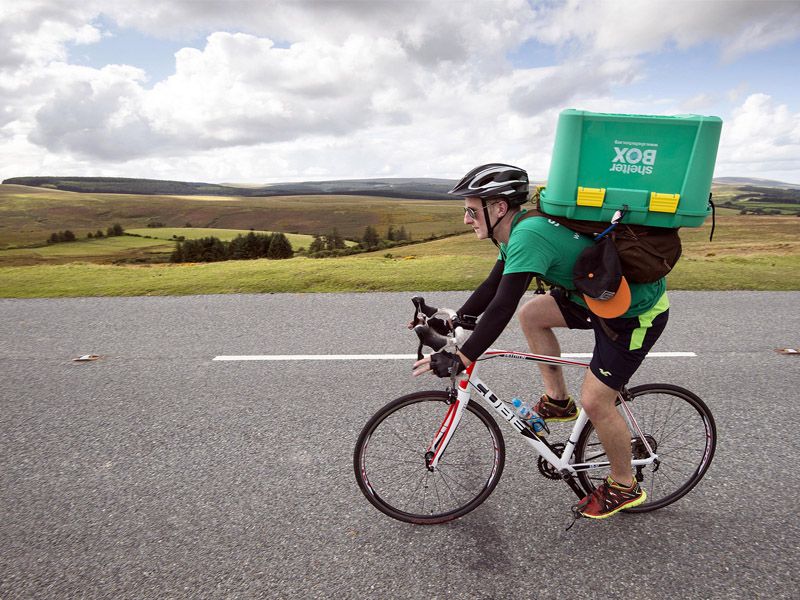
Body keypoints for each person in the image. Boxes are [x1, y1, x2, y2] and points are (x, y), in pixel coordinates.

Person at [412, 163, 670, 519]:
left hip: (634, 312)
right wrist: (456, 319)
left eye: (472, 210)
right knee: (533, 315)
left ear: (498, 207)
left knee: (596, 401)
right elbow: (493, 286)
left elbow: (501, 306)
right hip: (594, 300)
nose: (466, 219)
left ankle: (624, 485)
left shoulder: (529, 234)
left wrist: (463, 356)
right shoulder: (516, 231)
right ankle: (558, 402)